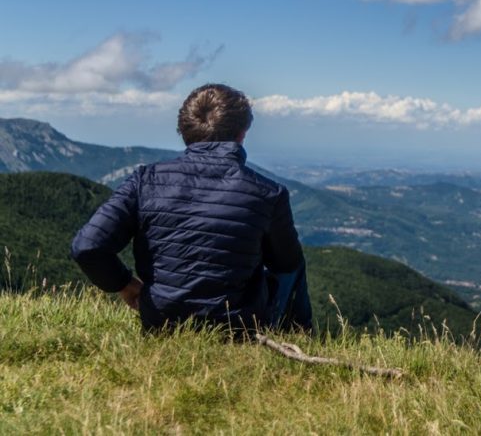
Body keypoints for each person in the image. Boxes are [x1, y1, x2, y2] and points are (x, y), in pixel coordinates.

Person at [71, 83, 313, 335]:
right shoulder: (269, 193)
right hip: (237, 328)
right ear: (242, 134)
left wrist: (126, 286)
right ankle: (301, 337)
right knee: (293, 266)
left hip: (160, 322)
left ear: (185, 133)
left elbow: (88, 246)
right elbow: (286, 264)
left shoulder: (145, 181)